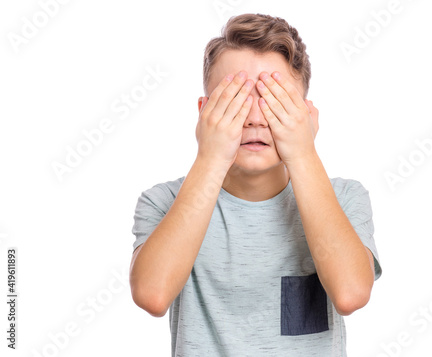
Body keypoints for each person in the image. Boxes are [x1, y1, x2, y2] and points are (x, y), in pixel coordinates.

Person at [129, 13, 382, 356]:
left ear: (305, 115)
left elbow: (351, 293)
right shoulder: (165, 201)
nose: (254, 118)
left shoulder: (343, 197)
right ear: (204, 112)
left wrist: (303, 153)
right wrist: (211, 157)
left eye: (274, 100)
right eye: (235, 99)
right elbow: (152, 294)